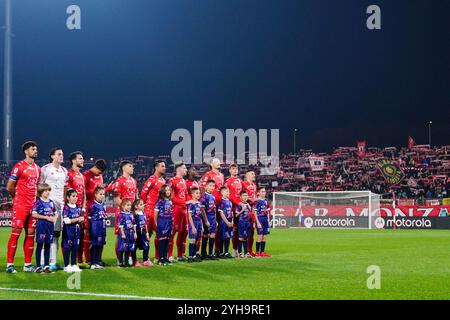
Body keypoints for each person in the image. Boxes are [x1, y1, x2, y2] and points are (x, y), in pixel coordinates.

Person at [6, 141, 41, 274]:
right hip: (21, 205)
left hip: (33, 206)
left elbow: (37, 188)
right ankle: (10, 264)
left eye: (36, 149)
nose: (35, 151)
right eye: (33, 149)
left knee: (31, 234)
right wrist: (17, 198)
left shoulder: (38, 169)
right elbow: (9, 186)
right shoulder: (19, 166)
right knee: (16, 234)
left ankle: (27, 264)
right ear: (26, 151)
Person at [39, 147, 68, 271]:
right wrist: (42, 203)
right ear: (52, 156)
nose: (62, 156)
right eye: (59, 154)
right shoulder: (45, 169)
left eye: (62, 154)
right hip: (48, 206)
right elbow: (39, 187)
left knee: (56, 234)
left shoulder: (64, 171)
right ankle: (41, 262)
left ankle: (53, 262)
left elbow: (64, 189)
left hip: (59, 207)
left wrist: (64, 203)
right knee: (46, 235)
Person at [140, 160, 166, 261]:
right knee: (147, 234)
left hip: (159, 211)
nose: (164, 168)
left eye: (164, 166)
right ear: (156, 167)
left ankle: (157, 257)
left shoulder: (163, 181)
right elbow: (143, 194)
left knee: (160, 234)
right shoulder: (151, 179)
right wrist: (145, 206)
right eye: (162, 166)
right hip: (150, 210)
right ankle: (145, 258)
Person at [112, 160, 138, 264]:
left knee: (131, 235)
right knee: (120, 235)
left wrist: (135, 208)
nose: (132, 168)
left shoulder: (134, 181)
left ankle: (129, 257)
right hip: (122, 213)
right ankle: (119, 258)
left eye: (132, 166)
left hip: (131, 213)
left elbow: (136, 197)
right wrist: (125, 210)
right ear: (124, 168)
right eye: (130, 166)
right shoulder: (119, 181)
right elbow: (116, 199)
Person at [83, 159, 107, 265]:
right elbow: (83, 193)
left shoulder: (100, 176)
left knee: (101, 234)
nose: (100, 174)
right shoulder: (85, 175)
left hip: (99, 207)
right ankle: (88, 259)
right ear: (96, 167)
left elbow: (100, 191)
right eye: (99, 171)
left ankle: (98, 259)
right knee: (88, 233)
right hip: (89, 207)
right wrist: (93, 190)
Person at [200, 158, 224, 255]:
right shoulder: (207, 175)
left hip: (219, 204)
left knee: (218, 229)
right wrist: (202, 202)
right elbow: (202, 188)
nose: (219, 163)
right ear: (211, 164)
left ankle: (216, 251)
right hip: (209, 204)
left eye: (219, 162)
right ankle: (202, 252)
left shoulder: (222, 175)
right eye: (216, 162)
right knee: (207, 230)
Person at [31, 184, 57, 273]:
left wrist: (54, 218)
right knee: (39, 245)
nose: (48, 192)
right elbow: (34, 214)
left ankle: (46, 266)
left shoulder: (51, 202)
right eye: (46, 191)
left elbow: (56, 213)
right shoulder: (38, 202)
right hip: (42, 225)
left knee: (48, 245)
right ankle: (38, 266)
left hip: (50, 225)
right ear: (41, 192)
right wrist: (46, 217)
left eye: (49, 190)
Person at [66, 151, 86, 264]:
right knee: (68, 236)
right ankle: (67, 261)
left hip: (79, 210)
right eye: (80, 158)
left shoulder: (82, 176)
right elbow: (67, 193)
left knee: (80, 235)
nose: (82, 160)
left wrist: (83, 208)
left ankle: (79, 260)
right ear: (73, 161)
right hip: (70, 210)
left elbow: (84, 194)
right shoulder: (69, 174)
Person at [168, 162, 188, 262]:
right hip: (176, 209)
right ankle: (170, 255)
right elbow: (170, 196)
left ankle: (180, 255)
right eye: (184, 168)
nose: (186, 170)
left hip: (184, 210)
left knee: (183, 232)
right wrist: (183, 202)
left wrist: (190, 201)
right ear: (179, 169)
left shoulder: (184, 181)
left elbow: (186, 194)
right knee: (173, 232)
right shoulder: (172, 181)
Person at [62, 189, 84, 272]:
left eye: (76, 196)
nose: (75, 198)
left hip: (76, 230)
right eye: (73, 196)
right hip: (68, 231)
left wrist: (81, 220)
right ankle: (66, 265)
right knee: (67, 247)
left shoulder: (78, 207)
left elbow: (79, 218)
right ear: (68, 197)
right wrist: (77, 219)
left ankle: (74, 264)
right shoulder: (66, 208)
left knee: (75, 247)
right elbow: (66, 221)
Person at [224, 163, 242, 257]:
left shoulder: (239, 181)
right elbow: (227, 195)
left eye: (236, 169)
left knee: (240, 230)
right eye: (233, 169)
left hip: (241, 208)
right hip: (233, 208)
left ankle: (240, 250)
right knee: (234, 230)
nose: (235, 170)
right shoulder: (227, 182)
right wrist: (237, 202)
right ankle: (234, 250)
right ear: (230, 170)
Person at [87, 186, 107, 270]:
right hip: (95, 228)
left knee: (99, 245)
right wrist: (90, 229)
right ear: (95, 195)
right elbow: (89, 217)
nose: (102, 196)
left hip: (102, 227)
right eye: (100, 194)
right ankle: (93, 263)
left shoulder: (103, 205)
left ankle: (97, 262)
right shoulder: (93, 206)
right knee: (94, 245)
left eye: (103, 194)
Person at [154, 185, 173, 266]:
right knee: (162, 240)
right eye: (166, 190)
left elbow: (171, 212)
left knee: (167, 240)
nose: (168, 191)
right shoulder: (159, 201)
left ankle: (165, 257)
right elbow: (155, 214)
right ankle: (160, 258)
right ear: (163, 192)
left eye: (169, 190)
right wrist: (156, 224)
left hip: (168, 222)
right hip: (162, 221)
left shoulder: (170, 201)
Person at [199, 180, 218, 260]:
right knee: (206, 235)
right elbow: (202, 209)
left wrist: (216, 220)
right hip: (207, 217)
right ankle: (203, 254)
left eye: (213, 186)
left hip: (213, 218)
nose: (212, 187)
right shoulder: (204, 196)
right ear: (206, 186)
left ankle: (211, 254)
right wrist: (206, 220)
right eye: (210, 185)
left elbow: (214, 209)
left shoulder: (213, 197)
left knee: (213, 235)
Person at [131, 199, 152, 267]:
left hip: (143, 234)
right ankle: (135, 261)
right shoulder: (134, 214)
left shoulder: (143, 213)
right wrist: (134, 233)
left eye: (143, 204)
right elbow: (132, 224)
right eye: (141, 204)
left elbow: (145, 224)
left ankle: (145, 260)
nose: (143, 205)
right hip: (136, 234)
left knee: (146, 246)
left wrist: (147, 233)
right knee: (134, 247)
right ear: (136, 206)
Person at [117, 199, 137, 268]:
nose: (129, 207)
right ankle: (120, 262)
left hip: (130, 233)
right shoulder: (121, 215)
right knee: (122, 248)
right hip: (124, 232)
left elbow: (134, 224)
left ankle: (126, 262)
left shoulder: (131, 214)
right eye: (127, 205)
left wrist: (135, 233)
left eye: (130, 205)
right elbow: (121, 226)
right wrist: (122, 234)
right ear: (123, 206)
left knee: (128, 248)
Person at [242, 171, 257, 256]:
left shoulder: (254, 185)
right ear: (247, 176)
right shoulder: (243, 184)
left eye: (254, 174)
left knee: (251, 232)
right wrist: (250, 200)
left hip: (252, 211)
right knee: (243, 232)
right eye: (252, 174)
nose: (254, 175)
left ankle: (250, 251)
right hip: (245, 211)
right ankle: (241, 251)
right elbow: (242, 197)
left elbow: (254, 198)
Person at [253, 187, 271, 258]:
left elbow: (267, 211)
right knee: (260, 236)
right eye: (262, 191)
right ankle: (257, 252)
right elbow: (255, 212)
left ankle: (262, 252)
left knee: (264, 236)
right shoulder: (257, 201)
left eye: (264, 191)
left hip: (265, 219)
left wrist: (269, 220)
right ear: (259, 193)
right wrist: (257, 222)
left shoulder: (266, 201)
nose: (264, 193)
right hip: (259, 219)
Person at [186, 187, 203, 263]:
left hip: (199, 223)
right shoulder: (191, 204)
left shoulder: (199, 204)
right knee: (192, 240)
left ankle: (194, 256)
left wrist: (202, 225)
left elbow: (200, 216)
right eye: (196, 193)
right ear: (192, 194)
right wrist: (192, 226)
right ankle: (190, 256)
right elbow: (189, 216)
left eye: (199, 193)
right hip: (193, 223)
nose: (198, 195)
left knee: (196, 240)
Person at [218, 186, 234, 258]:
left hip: (230, 221)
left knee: (228, 237)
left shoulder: (230, 202)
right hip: (224, 222)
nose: (228, 192)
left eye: (228, 191)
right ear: (222, 192)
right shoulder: (221, 202)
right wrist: (227, 222)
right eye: (226, 191)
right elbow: (221, 213)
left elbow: (232, 212)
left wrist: (232, 221)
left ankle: (226, 252)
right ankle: (221, 252)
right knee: (222, 237)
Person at [235, 190, 252, 258]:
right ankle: (239, 252)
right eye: (244, 196)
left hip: (247, 223)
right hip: (241, 223)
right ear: (241, 197)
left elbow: (249, 213)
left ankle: (246, 253)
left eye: (246, 196)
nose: (245, 197)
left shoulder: (248, 204)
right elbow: (236, 215)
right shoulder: (239, 205)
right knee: (241, 237)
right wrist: (242, 210)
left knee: (246, 237)